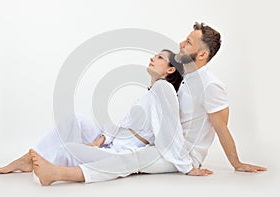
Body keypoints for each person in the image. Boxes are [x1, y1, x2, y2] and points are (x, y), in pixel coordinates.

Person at [24, 22, 267, 185]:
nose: (181, 43)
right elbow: (160, 119)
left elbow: (221, 126)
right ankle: (34, 159)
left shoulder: (210, 86)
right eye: (185, 39)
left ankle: (58, 172)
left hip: (182, 154)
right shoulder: (180, 80)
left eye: (189, 43)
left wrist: (235, 164)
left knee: (133, 160)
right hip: (164, 143)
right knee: (85, 128)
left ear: (202, 55)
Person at [0, 49, 211, 185]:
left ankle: (47, 167)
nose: (152, 58)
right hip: (112, 141)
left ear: (171, 69)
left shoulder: (164, 89)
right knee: (76, 120)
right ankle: (28, 159)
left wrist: (187, 167)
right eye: (155, 55)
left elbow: (170, 129)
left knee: (67, 148)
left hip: (122, 150)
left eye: (160, 58)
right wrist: (101, 140)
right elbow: (125, 125)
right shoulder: (151, 91)